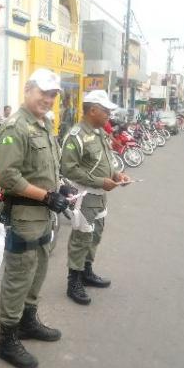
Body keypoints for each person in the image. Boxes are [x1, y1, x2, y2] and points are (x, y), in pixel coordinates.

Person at [0, 68, 71, 368]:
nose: (49, 99)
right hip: (25, 215)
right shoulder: (16, 127)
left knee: (39, 269)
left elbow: (44, 169)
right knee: (18, 276)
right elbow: (9, 177)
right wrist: (46, 196)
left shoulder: (43, 125)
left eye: (53, 95)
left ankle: (28, 321)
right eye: (44, 92)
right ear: (27, 90)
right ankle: (7, 338)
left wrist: (60, 186)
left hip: (45, 215)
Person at [60, 90, 130, 305]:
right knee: (81, 238)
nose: (108, 114)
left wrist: (116, 175)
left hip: (100, 197)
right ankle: (74, 281)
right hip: (85, 196)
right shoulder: (75, 136)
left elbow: (105, 159)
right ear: (92, 110)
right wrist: (101, 182)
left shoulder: (99, 132)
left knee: (95, 235)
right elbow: (68, 169)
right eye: (105, 110)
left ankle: (87, 271)